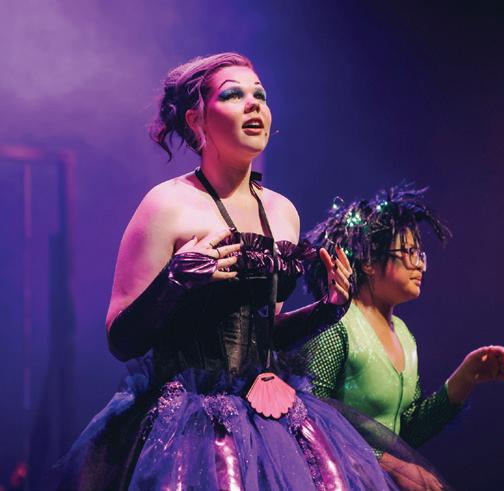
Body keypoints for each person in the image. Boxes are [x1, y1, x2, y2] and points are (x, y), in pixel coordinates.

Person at [55, 52, 396, 490]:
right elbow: (121, 340)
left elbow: (268, 332)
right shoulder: (166, 205)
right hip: (186, 423)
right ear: (197, 120)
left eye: (261, 96)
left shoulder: (283, 211)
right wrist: (173, 281)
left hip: (269, 415)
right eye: (234, 95)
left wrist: (326, 309)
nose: (254, 104)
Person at [303, 186, 504, 490]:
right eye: (408, 253)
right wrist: (387, 464)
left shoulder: (403, 334)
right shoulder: (336, 327)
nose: (420, 264)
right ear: (368, 261)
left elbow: (406, 434)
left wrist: (465, 378)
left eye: (420, 254)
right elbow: (306, 419)